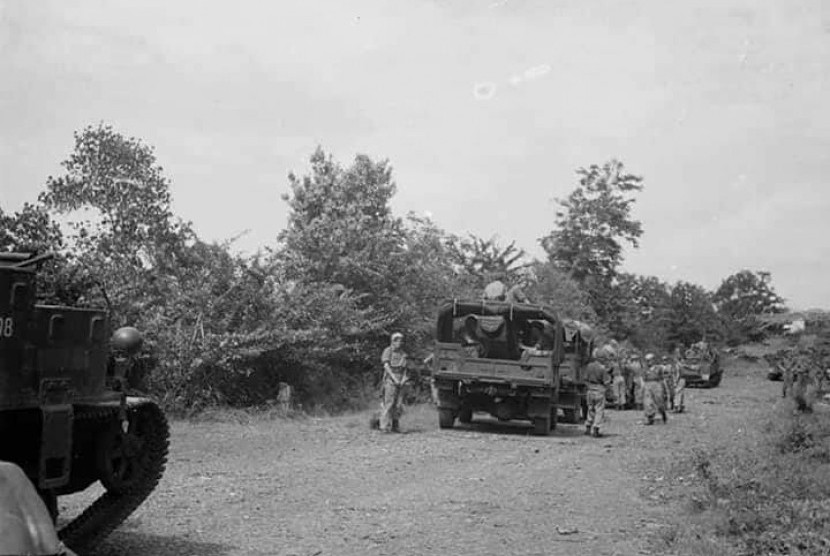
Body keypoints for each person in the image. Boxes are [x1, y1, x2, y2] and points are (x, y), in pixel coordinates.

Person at [379, 332, 408, 432]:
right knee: (389, 403)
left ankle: (395, 425)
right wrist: (394, 379)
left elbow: (405, 368)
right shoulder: (388, 351)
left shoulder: (403, 354)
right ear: (393, 341)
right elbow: (386, 366)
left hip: (401, 380)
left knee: (398, 404)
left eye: (401, 340)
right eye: (397, 340)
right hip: (390, 379)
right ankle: (384, 426)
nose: (400, 342)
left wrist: (403, 379)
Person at [584, 351, 611, 438]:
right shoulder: (602, 368)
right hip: (599, 390)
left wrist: (589, 387)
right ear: (602, 359)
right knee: (599, 410)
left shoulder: (589, 366)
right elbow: (606, 382)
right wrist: (609, 391)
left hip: (590, 390)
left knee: (590, 409)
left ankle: (588, 427)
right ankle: (596, 428)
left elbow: (585, 379)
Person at [642, 353, 668, 425]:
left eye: (649, 360)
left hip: (657, 384)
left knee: (659, 401)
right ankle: (650, 417)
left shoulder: (659, 368)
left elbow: (662, 379)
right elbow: (643, 379)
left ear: (653, 360)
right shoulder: (645, 369)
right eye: (647, 360)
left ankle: (663, 413)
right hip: (648, 384)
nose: (648, 362)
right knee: (648, 401)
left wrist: (664, 388)